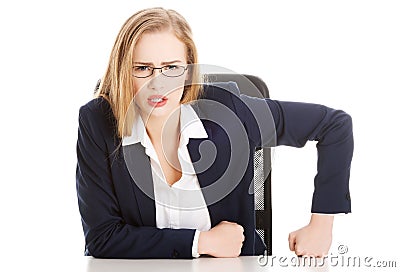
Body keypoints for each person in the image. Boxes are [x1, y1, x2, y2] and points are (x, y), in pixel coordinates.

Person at [76, 7, 353, 259]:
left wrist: (322, 223)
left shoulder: (229, 111)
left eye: (171, 67)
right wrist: (200, 242)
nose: (157, 83)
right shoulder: (97, 121)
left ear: (189, 71)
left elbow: (333, 125)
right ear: (123, 72)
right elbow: (102, 237)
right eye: (142, 68)